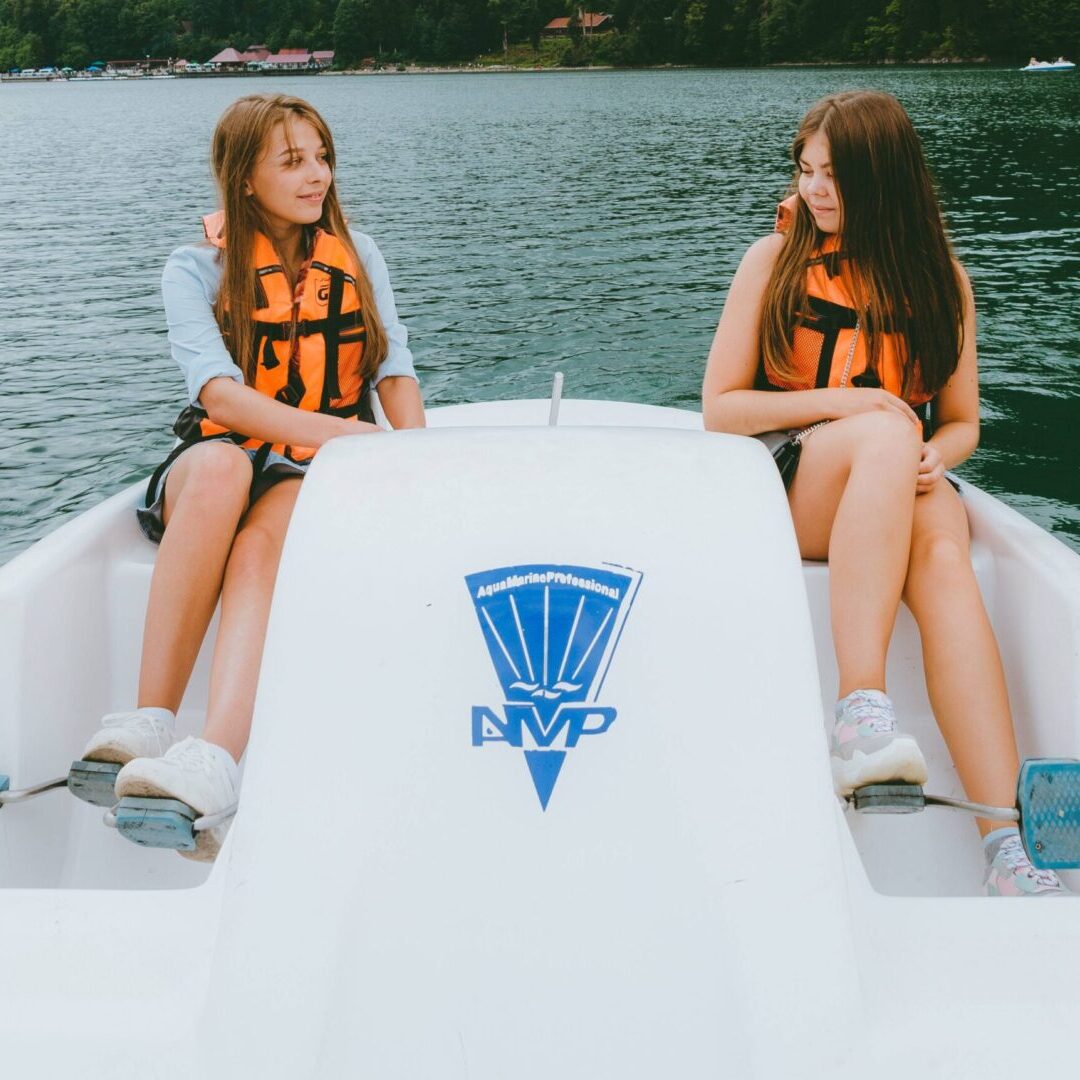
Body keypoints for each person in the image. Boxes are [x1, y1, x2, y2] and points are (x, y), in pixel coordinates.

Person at [701, 90, 1064, 897]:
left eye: (835, 174)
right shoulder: (774, 259)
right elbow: (721, 411)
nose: (816, 189)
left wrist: (933, 453)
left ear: (883, 178)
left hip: (895, 481)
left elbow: (963, 421)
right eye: (808, 171)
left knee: (942, 544)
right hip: (791, 485)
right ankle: (860, 712)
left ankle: (1005, 846)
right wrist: (852, 407)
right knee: (886, 436)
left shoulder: (945, 283)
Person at [78, 93, 425, 860]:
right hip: (220, 462)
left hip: (306, 471)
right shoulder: (192, 268)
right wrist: (345, 435)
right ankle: (148, 718)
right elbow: (220, 395)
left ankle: (216, 759)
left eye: (322, 157)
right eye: (293, 162)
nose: (319, 177)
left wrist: (416, 457)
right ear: (244, 179)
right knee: (222, 467)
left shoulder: (358, 256)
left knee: (261, 549)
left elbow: (393, 367)